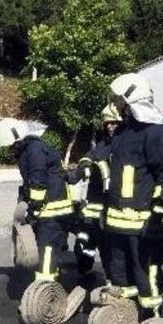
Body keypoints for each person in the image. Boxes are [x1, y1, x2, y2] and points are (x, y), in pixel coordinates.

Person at [105, 73, 163, 319]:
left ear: (132, 100)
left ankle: (154, 323)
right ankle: (126, 320)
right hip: (118, 222)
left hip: (143, 222)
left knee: (145, 273)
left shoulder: (155, 132)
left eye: (120, 101)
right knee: (120, 274)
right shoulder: (122, 132)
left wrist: (157, 214)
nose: (116, 105)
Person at [0, 118, 73, 284]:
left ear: (17, 139)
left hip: (53, 210)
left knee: (47, 250)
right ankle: (52, 285)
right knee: (48, 250)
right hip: (49, 208)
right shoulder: (29, 149)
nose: (10, 150)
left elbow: (37, 181)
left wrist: (34, 209)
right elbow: (29, 181)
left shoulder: (34, 150)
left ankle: (45, 292)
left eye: (10, 146)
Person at [67, 103, 121, 286]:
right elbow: (87, 158)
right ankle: (85, 275)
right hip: (91, 210)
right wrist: (77, 171)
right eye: (107, 123)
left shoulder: (124, 147)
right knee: (83, 245)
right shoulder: (102, 145)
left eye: (114, 123)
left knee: (109, 252)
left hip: (110, 210)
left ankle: (113, 285)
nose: (110, 126)